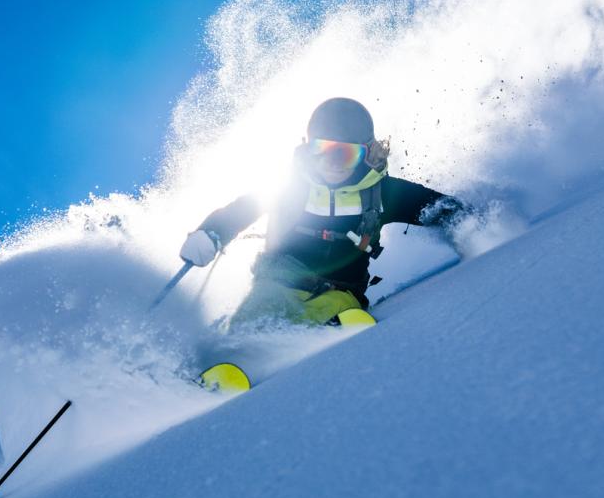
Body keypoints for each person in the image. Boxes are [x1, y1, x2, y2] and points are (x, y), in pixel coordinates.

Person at [179, 97, 464, 327]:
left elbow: (436, 206)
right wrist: (211, 233)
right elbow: (242, 209)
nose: (334, 162)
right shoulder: (291, 188)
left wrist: (473, 223)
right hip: (279, 281)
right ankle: (239, 357)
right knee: (265, 305)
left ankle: (328, 337)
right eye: (324, 150)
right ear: (309, 148)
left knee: (335, 308)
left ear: (367, 153)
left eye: (346, 154)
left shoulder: (380, 192)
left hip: (342, 291)